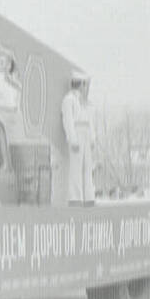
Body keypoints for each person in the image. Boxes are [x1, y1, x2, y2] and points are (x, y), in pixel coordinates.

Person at [61, 70, 96, 207]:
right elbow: (68, 120)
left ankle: (88, 197)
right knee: (76, 167)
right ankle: (75, 197)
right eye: (84, 84)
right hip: (77, 131)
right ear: (79, 84)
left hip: (86, 132)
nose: (85, 87)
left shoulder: (85, 102)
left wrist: (92, 137)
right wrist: (72, 138)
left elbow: (90, 121)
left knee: (88, 167)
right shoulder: (68, 99)